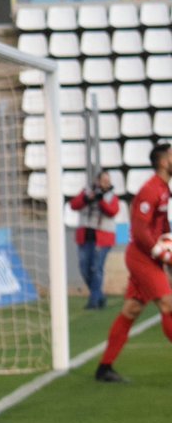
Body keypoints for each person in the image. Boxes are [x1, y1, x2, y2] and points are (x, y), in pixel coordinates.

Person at [96, 144, 172, 383]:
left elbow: (160, 226)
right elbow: (138, 229)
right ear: (162, 162)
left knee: (131, 310)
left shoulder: (163, 189)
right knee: (169, 305)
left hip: (149, 257)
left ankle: (104, 368)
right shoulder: (150, 190)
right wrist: (160, 252)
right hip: (142, 257)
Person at [70, 171, 119, 310]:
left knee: (96, 268)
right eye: (103, 180)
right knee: (84, 268)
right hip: (85, 236)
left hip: (103, 237)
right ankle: (99, 296)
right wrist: (87, 198)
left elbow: (113, 211)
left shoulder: (111, 196)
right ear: (97, 181)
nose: (106, 183)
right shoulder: (86, 192)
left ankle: (94, 301)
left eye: (107, 180)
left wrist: (100, 200)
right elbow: (74, 205)